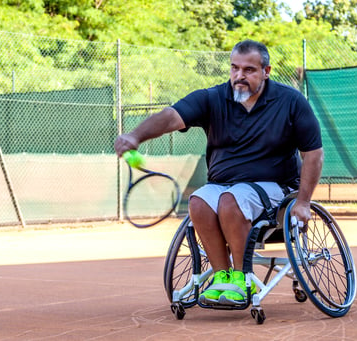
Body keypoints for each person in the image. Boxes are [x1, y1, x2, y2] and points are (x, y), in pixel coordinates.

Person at [114, 40, 323, 306]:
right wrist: (135, 135)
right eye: (234, 68)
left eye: (249, 70)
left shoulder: (291, 101)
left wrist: (303, 202)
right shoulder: (212, 98)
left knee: (230, 199)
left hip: (275, 188)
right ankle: (223, 277)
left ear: (266, 71)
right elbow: (171, 116)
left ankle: (240, 277)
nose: (239, 76)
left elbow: (313, 153)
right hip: (224, 185)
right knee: (199, 202)